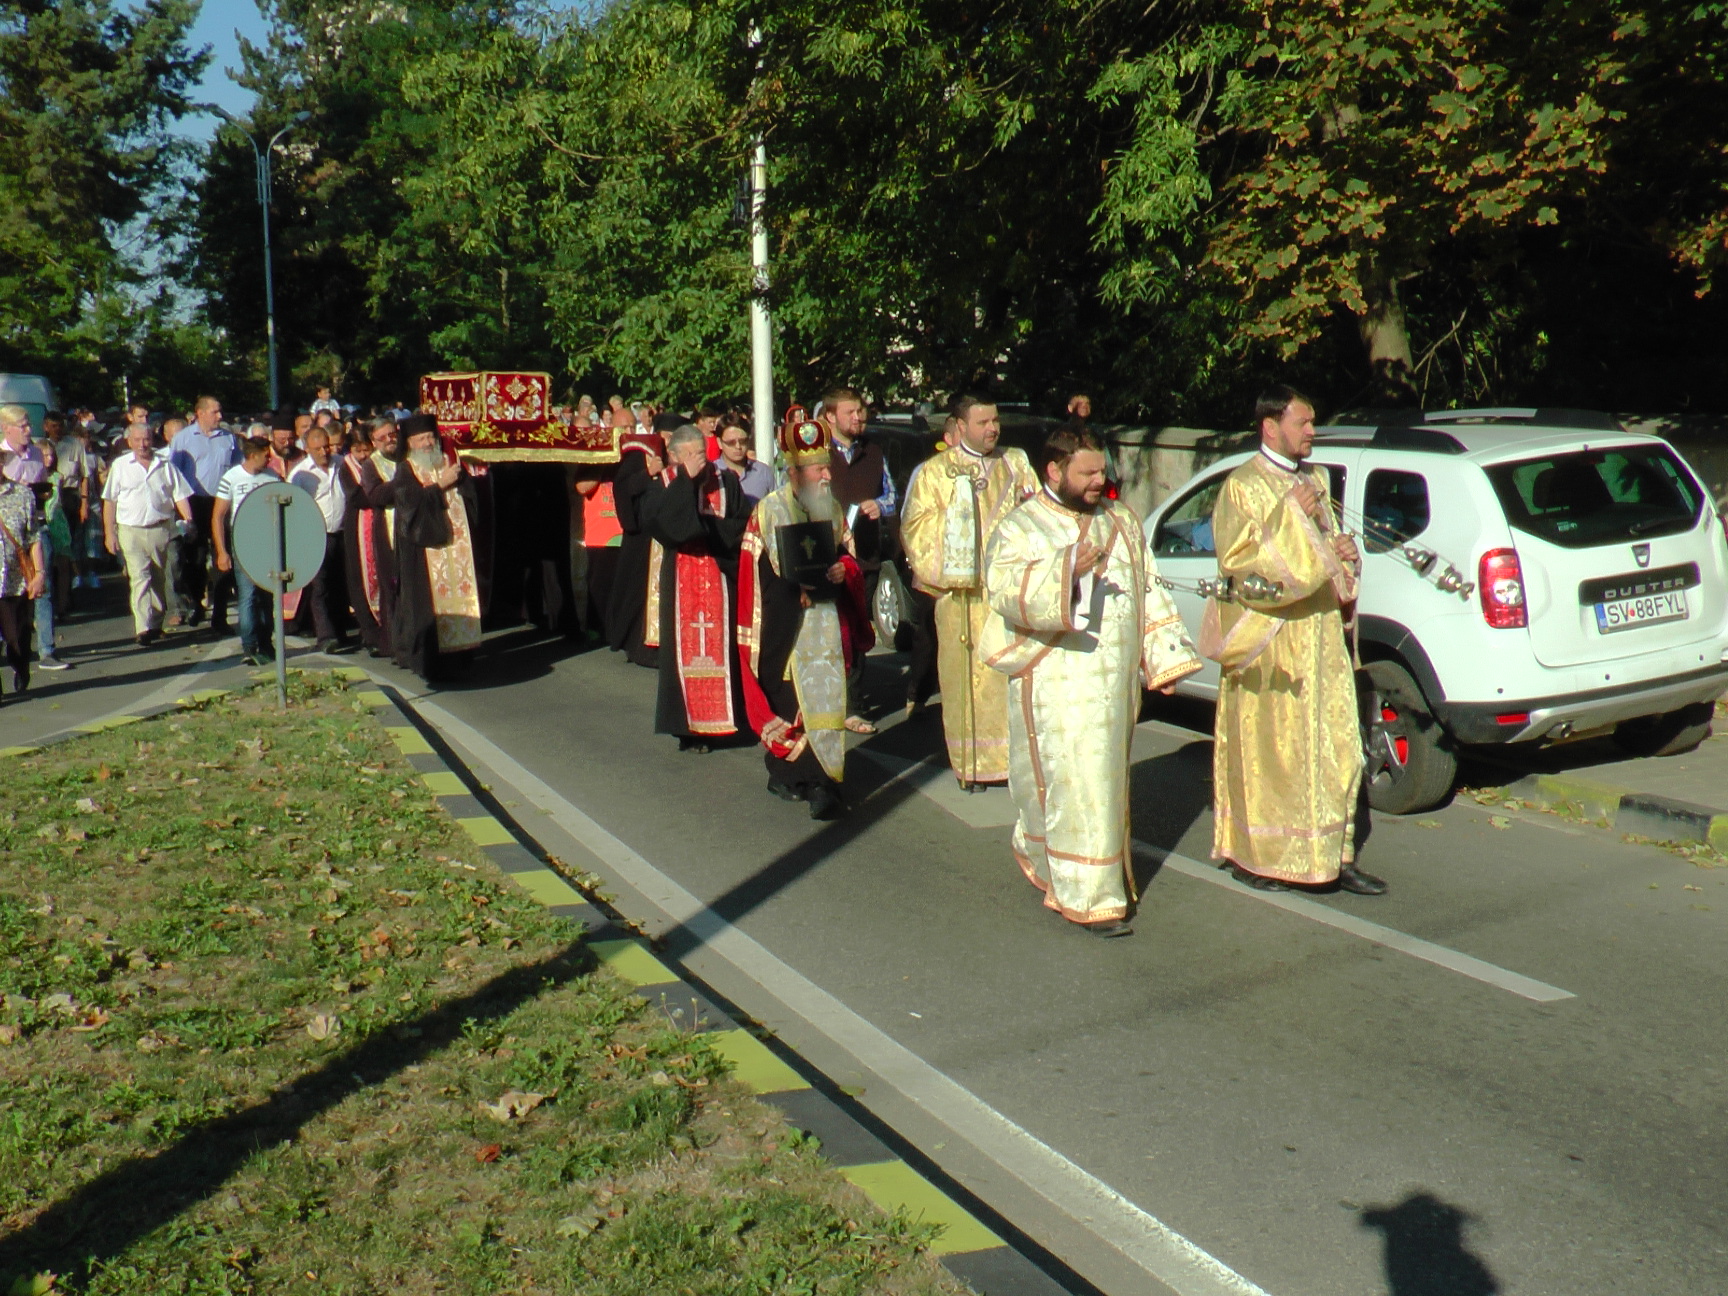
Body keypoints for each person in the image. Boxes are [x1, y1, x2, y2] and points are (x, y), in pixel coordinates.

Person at [983, 429, 1201, 937]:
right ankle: (1090, 896)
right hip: (1056, 681)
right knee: (1074, 785)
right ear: (1054, 471)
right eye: (1086, 473)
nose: (1098, 481)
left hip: (1113, 682)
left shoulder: (1120, 520)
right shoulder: (1021, 526)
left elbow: (1148, 586)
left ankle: (1070, 871)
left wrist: (1163, 659)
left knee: (1102, 783)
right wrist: (1066, 571)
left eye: (1101, 470)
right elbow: (1002, 589)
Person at [1209, 386, 1385, 895]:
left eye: (1312, 422)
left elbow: (1323, 550)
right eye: (1303, 422)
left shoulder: (1317, 479)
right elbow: (1240, 569)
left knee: (1336, 748)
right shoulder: (1241, 486)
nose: (1312, 431)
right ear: (1270, 426)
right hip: (1271, 643)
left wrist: (1344, 555)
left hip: (1322, 637)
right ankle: (1259, 858)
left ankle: (1333, 856)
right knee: (1274, 756)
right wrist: (1289, 515)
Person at [735, 410, 873, 820]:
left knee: (825, 703)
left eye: (827, 467)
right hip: (786, 628)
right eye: (818, 469)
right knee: (792, 704)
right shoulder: (767, 512)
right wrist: (791, 591)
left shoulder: (831, 509)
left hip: (825, 626)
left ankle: (822, 783)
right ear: (794, 472)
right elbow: (754, 577)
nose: (827, 476)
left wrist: (842, 570)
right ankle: (792, 776)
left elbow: (847, 557)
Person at [900, 394, 1038, 789]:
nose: (993, 429)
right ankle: (973, 765)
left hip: (1010, 593)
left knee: (1014, 678)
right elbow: (915, 528)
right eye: (983, 422)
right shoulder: (935, 473)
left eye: (995, 421)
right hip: (963, 597)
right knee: (968, 680)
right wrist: (959, 541)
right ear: (960, 427)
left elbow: (1038, 513)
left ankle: (1018, 762)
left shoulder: (1017, 463)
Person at [642, 423, 751, 752]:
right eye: (689, 455)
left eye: (701, 453)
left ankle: (724, 722)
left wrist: (708, 529)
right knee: (681, 655)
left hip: (720, 577)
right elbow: (667, 527)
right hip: (680, 582)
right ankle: (687, 729)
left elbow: (742, 525)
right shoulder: (663, 484)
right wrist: (685, 482)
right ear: (674, 456)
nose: (697, 461)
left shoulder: (726, 482)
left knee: (725, 650)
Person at [819, 387, 893, 735]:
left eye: (861, 411)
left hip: (864, 558)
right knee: (828, 632)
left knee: (858, 632)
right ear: (830, 416)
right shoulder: (817, 452)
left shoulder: (873, 451)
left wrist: (880, 505)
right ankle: (824, 701)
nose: (858, 417)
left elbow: (891, 494)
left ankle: (854, 704)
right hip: (825, 557)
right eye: (850, 412)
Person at [390, 416, 482, 681]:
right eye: (421, 439)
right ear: (409, 443)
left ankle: (462, 656)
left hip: (457, 548)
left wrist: (462, 483)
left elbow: (471, 497)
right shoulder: (406, 469)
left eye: (431, 437)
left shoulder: (448, 462)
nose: (428, 443)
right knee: (427, 609)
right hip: (424, 553)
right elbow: (408, 506)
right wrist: (439, 485)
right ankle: (431, 665)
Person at [101, 423, 194, 646]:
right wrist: (109, 533)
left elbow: (180, 495)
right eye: (137, 440)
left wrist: (188, 520)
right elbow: (110, 501)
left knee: (159, 578)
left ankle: (155, 623)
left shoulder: (165, 465)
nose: (142, 444)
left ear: (152, 440)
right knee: (139, 578)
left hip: (160, 529)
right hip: (130, 530)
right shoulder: (121, 466)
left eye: (146, 439)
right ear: (129, 441)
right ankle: (142, 628)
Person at [168, 396, 240, 630]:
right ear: (200, 413)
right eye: (215, 412)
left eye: (220, 412)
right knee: (195, 558)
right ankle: (197, 602)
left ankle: (220, 615)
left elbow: (238, 469)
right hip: (194, 502)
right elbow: (174, 475)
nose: (220, 416)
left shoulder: (228, 438)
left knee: (223, 555)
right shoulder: (183, 439)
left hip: (221, 502)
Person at [211, 436, 282, 665]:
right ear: (253, 455)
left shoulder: (272, 477)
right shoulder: (232, 478)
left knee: (267, 594)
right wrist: (222, 551)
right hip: (243, 538)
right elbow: (218, 516)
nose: (269, 459)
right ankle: (249, 646)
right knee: (248, 594)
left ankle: (266, 642)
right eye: (266, 455)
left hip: (267, 540)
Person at [605, 429, 667, 667]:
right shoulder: (639, 456)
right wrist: (647, 473)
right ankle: (637, 645)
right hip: (641, 537)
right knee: (637, 594)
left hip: (668, 537)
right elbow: (623, 489)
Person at [289, 425, 350, 653]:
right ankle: (326, 636)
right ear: (307, 449)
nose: (324, 452)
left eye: (327, 446)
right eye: (318, 449)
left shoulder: (341, 463)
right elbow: (294, 507)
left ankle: (341, 631)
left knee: (341, 584)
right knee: (320, 588)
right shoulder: (300, 474)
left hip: (342, 532)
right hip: (316, 535)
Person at [344, 419, 399, 658]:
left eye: (366, 449)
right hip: (357, 528)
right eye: (358, 450)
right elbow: (359, 496)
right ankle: (370, 632)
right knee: (361, 580)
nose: (364, 455)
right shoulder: (347, 467)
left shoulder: (389, 461)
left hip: (381, 525)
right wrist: (382, 494)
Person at [0, 460, 47, 701]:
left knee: (17, 638)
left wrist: (39, 573)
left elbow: (34, 537)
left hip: (14, 581)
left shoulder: (22, 494)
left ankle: (20, 665)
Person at [30, 440, 70, 670]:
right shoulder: (9, 457)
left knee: (44, 588)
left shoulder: (48, 472)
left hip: (41, 527)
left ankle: (47, 650)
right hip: (10, 535)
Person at [716, 413, 774, 503]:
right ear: (719, 443)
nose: (738, 446)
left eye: (742, 441)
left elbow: (776, 506)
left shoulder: (763, 472)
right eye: (731, 442)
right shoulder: (711, 473)